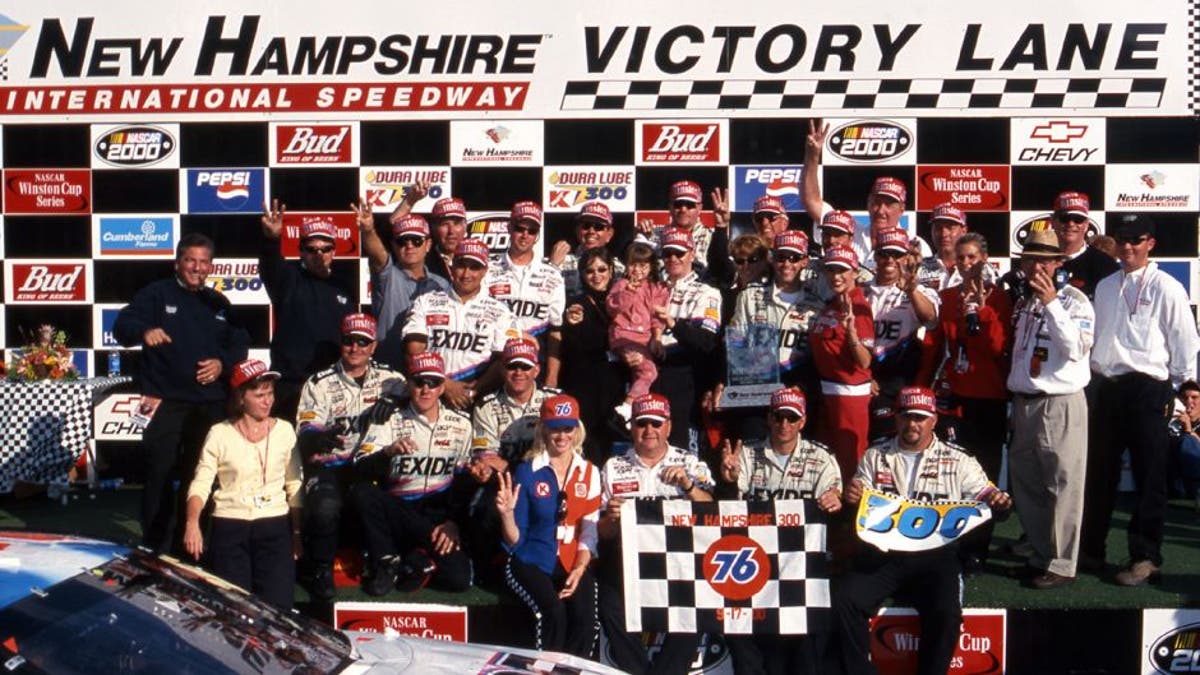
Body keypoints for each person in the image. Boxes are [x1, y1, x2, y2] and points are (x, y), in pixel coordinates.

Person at [835, 386, 1012, 675]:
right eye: (906, 416)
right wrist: (851, 499)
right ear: (896, 419)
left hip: (936, 556)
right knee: (844, 598)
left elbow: (987, 497)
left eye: (919, 417)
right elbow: (857, 506)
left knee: (946, 613)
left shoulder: (959, 460)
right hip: (884, 555)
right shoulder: (874, 456)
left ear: (933, 420)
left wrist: (999, 502)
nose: (912, 424)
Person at [114, 233, 251, 555]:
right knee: (158, 474)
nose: (197, 268)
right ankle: (154, 548)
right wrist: (144, 331)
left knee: (201, 476)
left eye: (204, 262)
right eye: (191, 260)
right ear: (178, 262)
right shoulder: (156, 294)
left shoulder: (219, 302)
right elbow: (123, 326)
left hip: (209, 404)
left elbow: (240, 343)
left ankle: (193, 546)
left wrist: (223, 363)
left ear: (211, 266)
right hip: (164, 402)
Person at [1082, 214, 1200, 585]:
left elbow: (1184, 340)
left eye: (1136, 239)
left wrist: (1187, 388)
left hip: (1150, 387)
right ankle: (1090, 550)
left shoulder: (1167, 287)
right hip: (1106, 386)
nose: (1128, 246)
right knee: (1099, 475)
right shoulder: (1104, 286)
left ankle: (1145, 556)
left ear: (1150, 242)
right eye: (1122, 239)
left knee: (1151, 476)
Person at [716, 386, 841, 675]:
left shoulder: (822, 457)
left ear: (802, 422)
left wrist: (834, 500)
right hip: (753, 563)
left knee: (804, 651)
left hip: (801, 565)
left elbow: (834, 499)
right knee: (745, 637)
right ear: (769, 418)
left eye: (791, 418)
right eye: (778, 416)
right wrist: (729, 481)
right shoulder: (746, 453)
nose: (784, 424)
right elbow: (728, 510)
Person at [596, 393, 714, 675]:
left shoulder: (690, 462)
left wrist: (688, 487)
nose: (649, 430)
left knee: (696, 610)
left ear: (669, 427)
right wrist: (611, 519)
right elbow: (601, 532)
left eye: (656, 423)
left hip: (680, 563)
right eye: (642, 423)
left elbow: (714, 513)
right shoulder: (613, 466)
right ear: (631, 427)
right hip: (628, 563)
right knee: (609, 605)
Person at [294, 312, 405, 603]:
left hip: (371, 465)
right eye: (348, 341)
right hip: (331, 464)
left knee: (373, 498)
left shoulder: (392, 379)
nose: (354, 348)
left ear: (373, 346)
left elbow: (420, 394)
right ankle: (319, 569)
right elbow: (306, 429)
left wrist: (395, 399)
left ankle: (383, 563)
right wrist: (319, 437)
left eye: (362, 342)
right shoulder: (319, 382)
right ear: (340, 343)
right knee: (326, 504)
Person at [1006, 227, 1094, 589]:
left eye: (1044, 260)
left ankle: (1062, 563)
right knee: (1028, 485)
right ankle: (1041, 554)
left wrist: (1053, 303)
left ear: (1059, 263)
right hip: (1025, 402)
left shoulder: (1075, 300)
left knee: (1063, 485)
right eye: (1031, 260)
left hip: (1060, 404)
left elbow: (1076, 349)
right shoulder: (1026, 301)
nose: (1036, 267)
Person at [917, 232, 1011, 569]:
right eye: (962, 258)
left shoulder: (1001, 298)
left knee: (984, 476)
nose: (967, 264)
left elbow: (999, 349)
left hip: (990, 399)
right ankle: (947, 542)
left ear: (984, 259)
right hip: (954, 399)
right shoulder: (947, 297)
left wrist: (982, 311)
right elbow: (932, 349)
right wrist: (920, 388)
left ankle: (977, 548)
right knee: (951, 474)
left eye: (973, 257)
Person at [183, 359, 302, 610]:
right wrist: (192, 522)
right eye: (259, 395)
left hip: (274, 525)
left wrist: (297, 534)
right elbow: (201, 482)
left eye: (270, 393)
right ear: (240, 398)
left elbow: (294, 486)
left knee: (278, 608)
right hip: (230, 526)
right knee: (233, 610)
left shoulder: (285, 431)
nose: (267, 401)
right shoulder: (219, 433)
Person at [352, 352, 474, 595]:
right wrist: (387, 452)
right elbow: (360, 467)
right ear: (409, 384)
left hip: (436, 516)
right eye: (419, 382)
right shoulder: (389, 420)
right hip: (399, 510)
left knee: (459, 580)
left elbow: (464, 483)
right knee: (363, 493)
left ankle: (414, 563)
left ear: (442, 387)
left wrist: (453, 523)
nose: (426, 389)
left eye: (434, 382)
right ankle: (386, 561)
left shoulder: (461, 425)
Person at [495, 394, 602, 657]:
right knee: (553, 612)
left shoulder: (589, 472)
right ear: (543, 429)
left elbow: (589, 531)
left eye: (568, 428)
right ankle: (545, 670)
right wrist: (506, 515)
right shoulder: (527, 470)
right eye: (555, 428)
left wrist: (580, 568)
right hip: (531, 559)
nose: (562, 435)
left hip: (572, 560)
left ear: (577, 430)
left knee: (586, 617)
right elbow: (515, 541)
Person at [467, 337, 560, 582]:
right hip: (505, 482)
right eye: (512, 366)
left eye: (525, 366)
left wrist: (508, 464)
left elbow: (565, 450)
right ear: (502, 369)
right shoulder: (486, 406)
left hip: (551, 477)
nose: (519, 372)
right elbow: (487, 457)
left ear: (537, 369)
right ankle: (489, 573)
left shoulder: (553, 401)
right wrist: (494, 467)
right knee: (485, 506)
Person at [717, 230, 825, 442]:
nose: (787, 264)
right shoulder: (749, 296)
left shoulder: (817, 305)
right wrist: (723, 380)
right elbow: (734, 346)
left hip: (796, 389)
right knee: (750, 453)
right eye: (782, 257)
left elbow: (818, 359)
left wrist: (802, 386)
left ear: (804, 261)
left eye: (794, 258)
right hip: (754, 390)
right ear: (773, 259)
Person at [258, 202, 356, 419]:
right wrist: (271, 240)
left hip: (333, 385)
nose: (319, 254)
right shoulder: (288, 279)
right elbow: (269, 265)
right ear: (301, 251)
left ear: (334, 251)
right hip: (292, 384)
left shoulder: (344, 287)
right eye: (311, 249)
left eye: (325, 249)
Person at [403, 238, 519, 409]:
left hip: (479, 399)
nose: (466, 274)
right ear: (451, 265)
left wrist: (473, 391)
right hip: (431, 393)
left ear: (485, 270)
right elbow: (413, 350)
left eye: (474, 267)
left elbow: (504, 361)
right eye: (461, 265)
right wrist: (446, 385)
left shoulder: (500, 311)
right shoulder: (425, 302)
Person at [803, 119, 931, 264]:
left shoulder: (915, 244)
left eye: (889, 204)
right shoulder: (849, 231)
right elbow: (812, 201)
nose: (881, 210)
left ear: (902, 209)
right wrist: (812, 156)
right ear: (868, 204)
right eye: (876, 203)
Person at [356, 185, 451, 370]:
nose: (410, 246)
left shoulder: (443, 284)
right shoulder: (387, 275)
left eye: (417, 241)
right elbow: (377, 253)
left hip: (428, 376)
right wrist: (368, 230)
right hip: (388, 374)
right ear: (393, 245)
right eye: (402, 241)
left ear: (428, 245)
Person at [809, 245, 875, 484]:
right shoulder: (832, 303)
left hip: (849, 398)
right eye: (831, 270)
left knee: (850, 466)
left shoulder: (858, 306)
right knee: (826, 466)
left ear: (855, 272)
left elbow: (865, 361)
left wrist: (852, 335)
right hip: (827, 395)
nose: (836, 276)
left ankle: (852, 519)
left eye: (842, 270)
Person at [865, 228, 939, 439]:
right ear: (875, 255)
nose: (890, 259)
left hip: (898, 383)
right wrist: (865, 377)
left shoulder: (919, 290)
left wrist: (912, 291)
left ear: (906, 257)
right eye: (884, 253)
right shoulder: (860, 291)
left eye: (896, 254)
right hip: (865, 379)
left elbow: (931, 320)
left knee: (891, 446)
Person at [654, 228, 723, 452]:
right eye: (667, 253)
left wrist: (673, 323)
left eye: (679, 253)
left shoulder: (707, 292)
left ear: (691, 254)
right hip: (651, 373)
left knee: (682, 450)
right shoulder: (653, 289)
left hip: (685, 378)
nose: (673, 259)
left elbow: (705, 342)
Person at [484, 201, 566, 384]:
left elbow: (555, 331)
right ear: (509, 227)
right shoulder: (487, 270)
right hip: (494, 366)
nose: (525, 235)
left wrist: (551, 379)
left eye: (532, 231)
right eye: (520, 228)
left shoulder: (552, 275)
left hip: (534, 369)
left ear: (537, 235)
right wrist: (518, 334)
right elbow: (480, 320)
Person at [559, 248, 625, 466]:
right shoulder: (575, 304)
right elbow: (570, 352)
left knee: (618, 446)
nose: (596, 276)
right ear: (581, 274)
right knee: (589, 447)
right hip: (584, 386)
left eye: (602, 269)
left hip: (617, 383)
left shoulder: (625, 300)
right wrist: (571, 327)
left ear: (612, 270)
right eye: (589, 271)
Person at [607, 241, 669, 419]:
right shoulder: (621, 284)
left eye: (643, 265)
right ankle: (628, 406)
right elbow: (612, 308)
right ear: (626, 265)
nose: (637, 270)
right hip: (624, 336)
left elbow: (657, 317)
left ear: (651, 267)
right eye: (633, 264)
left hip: (644, 340)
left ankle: (633, 415)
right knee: (648, 371)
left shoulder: (656, 287)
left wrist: (657, 339)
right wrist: (627, 292)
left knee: (644, 373)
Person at [914, 204, 997, 292]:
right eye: (938, 228)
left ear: (964, 231)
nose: (943, 234)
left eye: (950, 228)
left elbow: (993, 300)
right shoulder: (918, 268)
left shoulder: (982, 268)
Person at [1052, 191, 1118, 300]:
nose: (1071, 224)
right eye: (1065, 218)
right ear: (1053, 222)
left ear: (1086, 225)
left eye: (1078, 219)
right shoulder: (1040, 262)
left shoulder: (1106, 265)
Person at [550, 201, 625, 298]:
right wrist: (552, 267)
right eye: (586, 225)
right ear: (577, 230)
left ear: (609, 234)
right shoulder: (559, 262)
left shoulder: (619, 268)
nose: (591, 231)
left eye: (599, 227)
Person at [637, 180, 713, 271]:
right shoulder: (653, 235)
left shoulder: (713, 238)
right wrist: (638, 238)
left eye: (689, 205)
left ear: (700, 208)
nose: (683, 209)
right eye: (678, 204)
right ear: (670, 207)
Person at [1169, 381, 1200, 507]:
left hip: (1195, 479)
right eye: (1184, 397)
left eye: (1194, 397)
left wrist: (1188, 429)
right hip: (1174, 478)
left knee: (1188, 441)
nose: (1189, 402)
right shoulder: (1173, 420)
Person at [426, 196, 469, 281]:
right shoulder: (421, 262)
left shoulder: (479, 261)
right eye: (444, 224)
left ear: (465, 226)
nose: (451, 231)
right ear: (433, 227)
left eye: (456, 223)